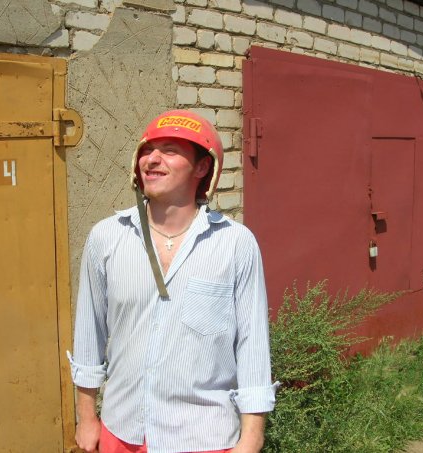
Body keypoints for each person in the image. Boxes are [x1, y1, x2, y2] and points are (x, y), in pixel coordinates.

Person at [68, 110, 278, 453]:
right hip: (122, 433)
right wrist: (86, 417)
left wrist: (251, 438)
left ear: (202, 167)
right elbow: (90, 333)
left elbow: (252, 345)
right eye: (147, 150)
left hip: (203, 438)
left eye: (169, 151)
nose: (152, 159)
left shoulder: (235, 244)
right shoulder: (107, 237)